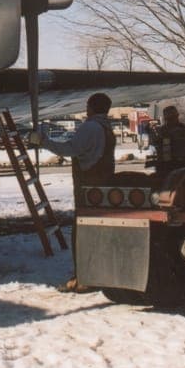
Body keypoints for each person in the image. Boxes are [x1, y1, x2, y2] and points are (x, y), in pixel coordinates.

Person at [29, 92, 115, 292]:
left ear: (91, 107)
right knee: (97, 231)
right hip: (102, 185)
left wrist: (43, 141)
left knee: (83, 232)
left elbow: (69, 149)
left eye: (88, 105)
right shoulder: (106, 127)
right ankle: (94, 275)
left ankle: (84, 278)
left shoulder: (91, 127)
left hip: (88, 187)